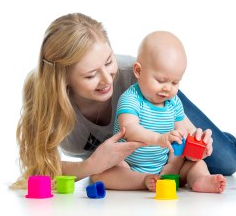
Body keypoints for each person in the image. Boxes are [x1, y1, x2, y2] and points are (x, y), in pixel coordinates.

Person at [12, 12, 236, 189]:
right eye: (91, 75)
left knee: (226, 162)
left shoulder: (138, 77)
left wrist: (197, 142)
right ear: (63, 79)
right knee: (102, 176)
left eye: (109, 61)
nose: (106, 80)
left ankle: (221, 138)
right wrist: (91, 165)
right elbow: (40, 168)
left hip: (158, 123)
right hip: (127, 163)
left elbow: (185, 133)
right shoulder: (43, 97)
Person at [91, 31, 226, 193]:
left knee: (196, 164)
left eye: (175, 82)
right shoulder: (131, 98)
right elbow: (129, 130)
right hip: (129, 166)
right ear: (138, 71)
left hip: (166, 168)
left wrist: (196, 148)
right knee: (99, 174)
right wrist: (159, 139)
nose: (168, 88)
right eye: (161, 80)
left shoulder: (173, 103)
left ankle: (200, 180)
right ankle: (142, 180)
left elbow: (184, 134)